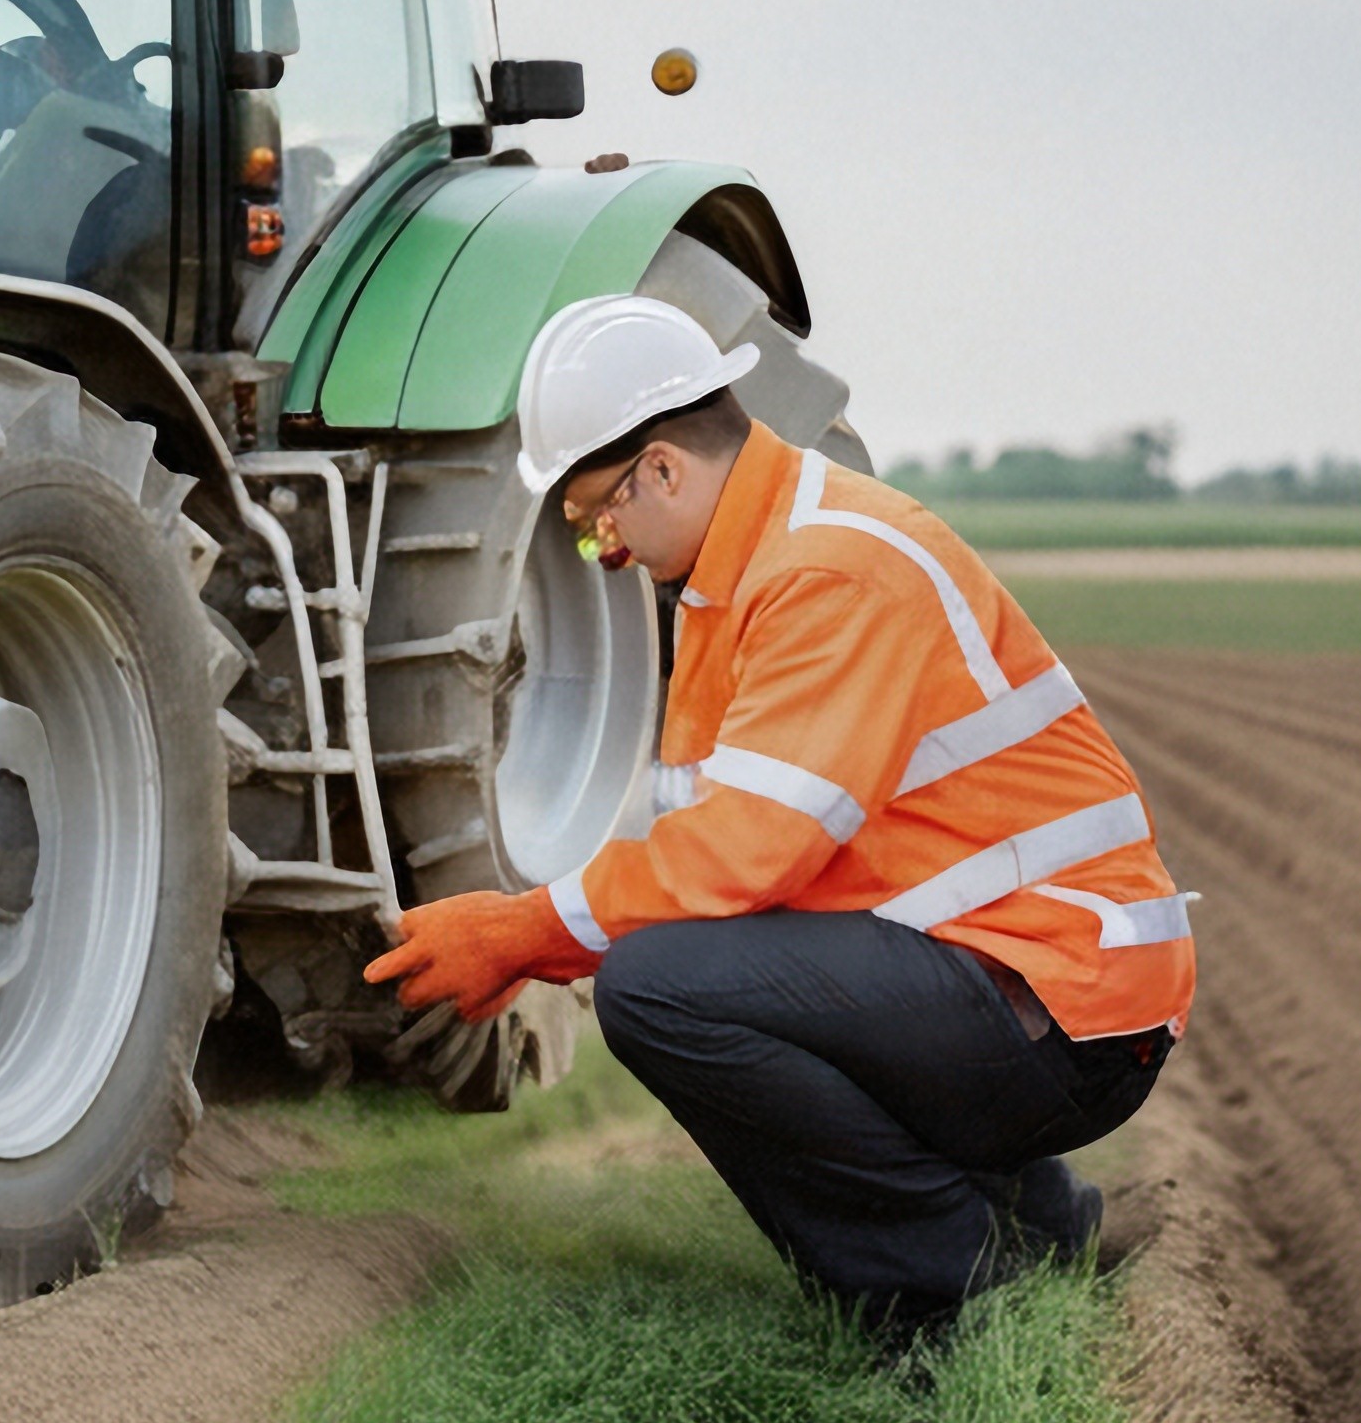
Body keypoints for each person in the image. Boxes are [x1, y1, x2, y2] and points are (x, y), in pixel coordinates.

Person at [365, 295, 1191, 1350]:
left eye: (592, 517)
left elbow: (740, 857)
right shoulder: (741, 573)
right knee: (683, 970)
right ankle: (1041, 1224)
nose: (596, 545)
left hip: (1066, 1007)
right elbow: (741, 870)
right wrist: (558, 936)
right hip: (1028, 983)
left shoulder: (824, 570)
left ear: (661, 468)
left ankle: (946, 1298)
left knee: (659, 995)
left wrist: (529, 931)